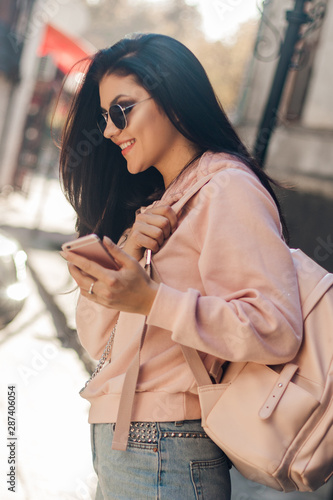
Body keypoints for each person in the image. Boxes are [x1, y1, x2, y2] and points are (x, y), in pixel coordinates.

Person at [59, 33, 303, 500]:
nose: (109, 131)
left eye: (120, 111)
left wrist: (153, 300)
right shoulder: (159, 205)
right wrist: (119, 266)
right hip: (127, 444)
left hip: (166, 449)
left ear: (171, 98)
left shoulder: (227, 189)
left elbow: (276, 328)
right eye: (104, 117)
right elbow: (98, 344)